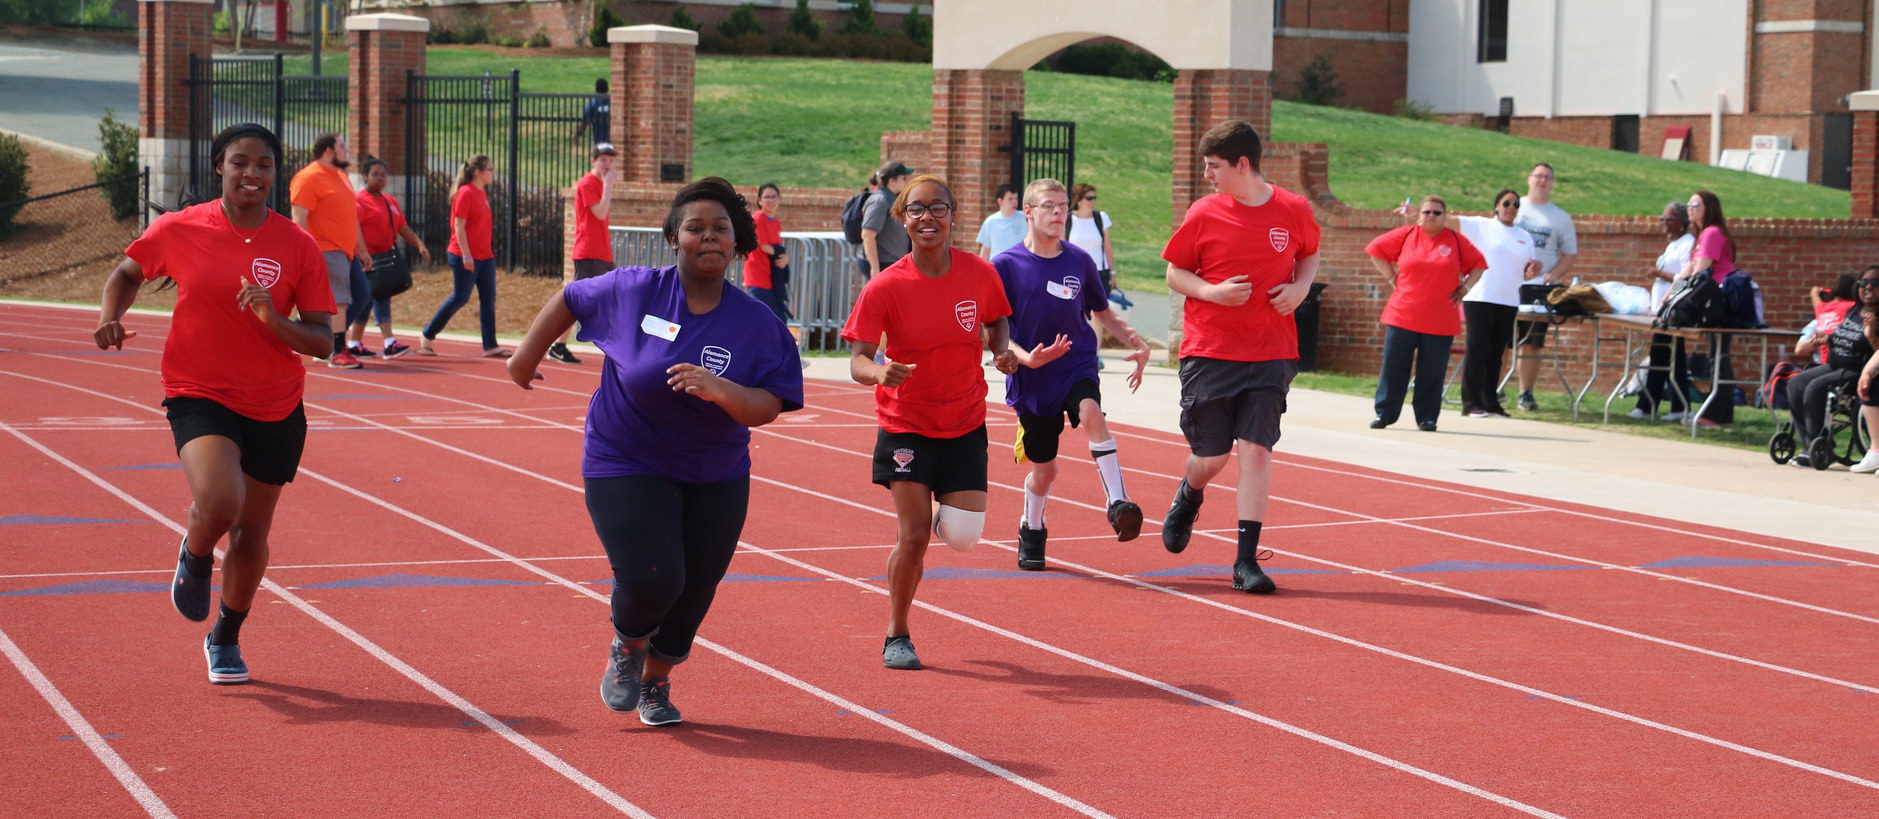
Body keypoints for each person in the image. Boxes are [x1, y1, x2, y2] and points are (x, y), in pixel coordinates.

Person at [506, 177, 803, 726]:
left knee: (695, 590)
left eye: (721, 229)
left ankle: (656, 682)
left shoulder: (758, 324)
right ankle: (628, 642)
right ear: (673, 238)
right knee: (655, 577)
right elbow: (572, 296)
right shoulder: (636, 290)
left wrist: (721, 390)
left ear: (738, 242)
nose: (709, 237)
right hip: (626, 457)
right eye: (696, 228)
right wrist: (523, 358)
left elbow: (769, 405)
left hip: (715, 469)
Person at [93, 123, 336, 685]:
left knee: (253, 534)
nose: (252, 173)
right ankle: (196, 551)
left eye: (264, 165)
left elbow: (323, 340)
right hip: (198, 390)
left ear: (276, 173)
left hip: (276, 403)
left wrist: (274, 321)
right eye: (240, 163)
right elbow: (128, 272)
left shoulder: (297, 245)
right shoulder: (181, 228)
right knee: (220, 501)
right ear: (219, 168)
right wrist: (110, 316)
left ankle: (225, 637)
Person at [842, 173, 1015, 670]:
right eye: (916, 210)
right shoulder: (885, 287)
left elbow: (997, 319)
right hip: (907, 423)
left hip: (964, 419)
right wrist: (879, 371)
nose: (927, 218)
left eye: (937, 208)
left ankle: (944, 510)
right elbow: (857, 358)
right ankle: (898, 633)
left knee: (962, 536)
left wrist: (1001, 351)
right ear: (902, 218)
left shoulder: (979, 273)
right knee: (914, 535)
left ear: (953, 216)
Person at [1161, 120, 1319, 595]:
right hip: (1211, 351)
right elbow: (1174, 272)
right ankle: (1189, 494)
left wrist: (1300, 287)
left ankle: (1245, 561)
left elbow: (1309, 254)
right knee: (1211, 458)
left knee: (1255, 451)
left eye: (1214, 167)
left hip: (1271, 351)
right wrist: (1211, 291)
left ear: (1242, 165)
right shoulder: (1205, 212)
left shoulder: (1293, 208)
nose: (1207, 175)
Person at [994, 177, 1152, 571]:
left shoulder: (1079, 260)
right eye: (1049, 206)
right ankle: (1032, 526)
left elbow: (1102, 311)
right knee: (1044, 471)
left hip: (1076, 363)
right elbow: (996, 333)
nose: (1059, 212)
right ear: (1028, 212)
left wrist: (1137, 341)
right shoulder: (1005, 266)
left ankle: (1117, 502)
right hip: (1033, 377)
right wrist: (1027, 358)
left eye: (1063, 206)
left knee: (1093, 414)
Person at [1365, 196, 1486, 432]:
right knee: (1394, 367)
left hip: (1440, 319)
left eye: (1437, 213)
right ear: (1420, 214)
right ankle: (1385, 414)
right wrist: (1391, 277)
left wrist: (1466, 287)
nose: (1431, 216)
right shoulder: (1407, 234)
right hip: (1403, 314)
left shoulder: (1456, 241)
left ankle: (1427, 417)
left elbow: (1479, 264)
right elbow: (1375, 250)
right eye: (1427, 212)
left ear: (1444, 216)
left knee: (1432, 371)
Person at [1454, 188, 1539, 417]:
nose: (1511, 207)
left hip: (1508, 300)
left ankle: (1490, 401)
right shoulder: (1483, 226)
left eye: (1516, 204)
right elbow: (1449, 221)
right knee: (1477, 350)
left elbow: (1528, 268)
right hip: (1481, 297)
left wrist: (1534, 269)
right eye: (1506, 203)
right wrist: (1418, 214)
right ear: (1496, 207)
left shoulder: (1524, 236)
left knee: (1496, 354)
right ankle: (1470, 402)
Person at [290, 132, 371, 370]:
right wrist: (303, 253)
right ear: (328, 151)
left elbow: (351, 217)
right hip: (324, 249)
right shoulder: (308, 178)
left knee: (363, 296)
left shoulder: (341, 177)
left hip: (347, 252)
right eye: (342, 147)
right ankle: (336, 350)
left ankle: (310, 333)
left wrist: (362, 250)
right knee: (340, 301)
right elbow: (299, 218)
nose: (346, 151)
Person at [1787, 266, 1879, 467]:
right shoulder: (1855, 310)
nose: (1868, 287)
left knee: (1814, 388)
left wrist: (1871, 335)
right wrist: (1827, 339)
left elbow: (1877, 353)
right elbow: (1842, 337)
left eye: (1875, 282)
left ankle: (1818, 448)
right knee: (1795, 384)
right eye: (1864, 282)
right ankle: (1809, 445)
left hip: (1857, 371)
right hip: (1834, 364)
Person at [420, 155, 510, 358]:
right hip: (465, 255)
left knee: (488, 300)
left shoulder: (481, 192)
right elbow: (458, 225)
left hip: (485, 256)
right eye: (490, 169)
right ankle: (427, 335)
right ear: (478, 172)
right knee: (460, 298)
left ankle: (490, 345)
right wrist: (467, 256)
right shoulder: (465, 192)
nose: (493, 173)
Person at [1510, 162, 1577, 411]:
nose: (1542, 181)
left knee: (1532, 341)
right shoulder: (1513, 208)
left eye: (1547, 177)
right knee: (1502, 339)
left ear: (1552, 182)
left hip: (1538, 289)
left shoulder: (1559, 217)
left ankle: (1525, 393)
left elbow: (1570, 253)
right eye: (1538, 176)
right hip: (1508, 283)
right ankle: (1493, 390)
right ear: (1529, 179)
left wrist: (1553, 275)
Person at [351, 155, 429, 359]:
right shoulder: (359, 201)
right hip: (367, 260)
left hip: (386, 259)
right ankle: (380, 342)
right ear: (365, 176)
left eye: (383, 174)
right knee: (367, 299)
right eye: (375, 174)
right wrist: (361, 253)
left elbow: (402, 227)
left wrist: (419, 244)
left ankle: (360, 343)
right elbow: (352, 228)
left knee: (378, 298)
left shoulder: (389, 200)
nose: (380, 178)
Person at [549, 144, 619, 365]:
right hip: (588, 251)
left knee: (613, 297)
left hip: (602, 252)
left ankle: (616, 347)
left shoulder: (599, 183)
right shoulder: (588, 183)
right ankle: (557, 345)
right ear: (593, 161)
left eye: (610, 160)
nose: (607, 164)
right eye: (602, 160)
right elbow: (599, 213)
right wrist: (608, 187)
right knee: (576, 301)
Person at [1627, 201, 1696, 420]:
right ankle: (1673, 407)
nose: (1664, 223)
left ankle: (1657, 407)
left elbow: (1687, 277)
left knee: (1665, 357)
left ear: (1682, 222)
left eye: (1669, 218)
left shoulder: (1688, 243)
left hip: (1675, 310)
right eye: (1662, 218)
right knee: (1666, 357)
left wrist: (1660, 274)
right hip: (1660, 310)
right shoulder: (1672, 244)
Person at [1679, 189, 1736, 426]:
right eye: (1689, 204)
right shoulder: (1705, 234)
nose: (1689, 208)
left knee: (1719, 357)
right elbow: (1689, 271)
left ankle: (1716, 415)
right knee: (1717, 355)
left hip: (1720, 302)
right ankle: (1719, 414)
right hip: (1715, 302)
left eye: (1695, 204)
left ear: (1708, 208)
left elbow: (1701, 273)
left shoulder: (1712, 233)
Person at [745, 182, 792, 323]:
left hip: (771, 278)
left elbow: (776, 248)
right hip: (758, 277)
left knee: (774, 320)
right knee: (775, 320)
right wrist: (781, 253)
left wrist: (785, 258)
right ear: (759, 200)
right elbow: (764, 247)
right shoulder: (758, 218)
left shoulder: (775, 222)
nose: (771, 200)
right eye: (767, 197)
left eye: (774, 197)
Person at [860, 161, 913, 279]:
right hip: (883, 264)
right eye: (903, 178)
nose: (907, 182)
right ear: (891, 181)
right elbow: (868, 235)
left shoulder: (891, 199)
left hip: (891, 264)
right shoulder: (880, 201)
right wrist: (875, 268)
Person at [1808, 273, 1859, 367]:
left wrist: (1816, 290)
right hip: (1842, 358)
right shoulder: (1851, 306)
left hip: (1824, 361)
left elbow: (1814, 294)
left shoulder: (1821, 308)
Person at [975, 183, 1026, 260]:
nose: (1014, 202)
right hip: (997, 267)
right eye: (1010, 199)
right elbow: (985, 250)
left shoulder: (1025, 219)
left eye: (1016, 198)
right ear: (1000, 201)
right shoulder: (990, 221)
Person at [573, 79, 610, 147]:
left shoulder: (592, 104)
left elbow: (584, 123)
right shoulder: (614, 103)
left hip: (598, 142)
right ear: (607, 89)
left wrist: (577, 135)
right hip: (613, 142)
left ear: (596, 89)